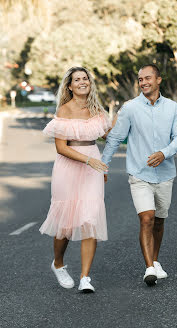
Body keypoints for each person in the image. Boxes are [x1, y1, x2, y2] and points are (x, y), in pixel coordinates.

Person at [102, 64, 177, 286]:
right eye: (140, 79)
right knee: (146, 218)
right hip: (139, 174)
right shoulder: (130, 108)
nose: (143, 82)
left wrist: (164, 153)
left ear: (158, 80)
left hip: (166, 173)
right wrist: (104, 166)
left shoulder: (172, 108)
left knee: (159, 221)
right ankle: (149, 267)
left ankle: (155, 261)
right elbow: (115, 138)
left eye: (147, 78)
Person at [39, 66, 112, 293]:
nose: (82, 82)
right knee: (66, 225)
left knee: (89, 218)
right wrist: (89, 161)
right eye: (77, 79)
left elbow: (110, 137)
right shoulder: (64, 110)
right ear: (69, 86)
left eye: (85, 78)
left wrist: (103, 164)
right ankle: (58, 264)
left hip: (93, 168)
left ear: (90, 83)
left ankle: (85, 278)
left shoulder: (97, 110)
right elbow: (61, 148)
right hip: (69, 168)